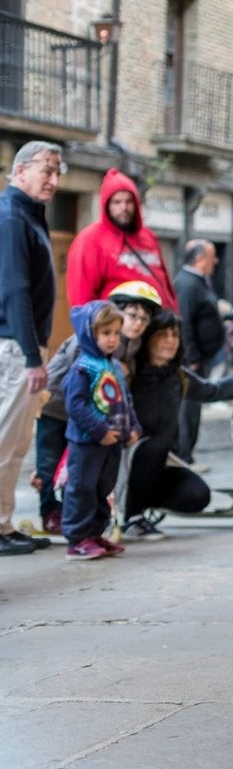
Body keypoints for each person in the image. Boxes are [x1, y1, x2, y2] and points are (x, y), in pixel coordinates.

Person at [34, 281, 160, 537]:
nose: (138, 323)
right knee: (49, 464)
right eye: (133, 316)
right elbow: (79, 381)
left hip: (88, 417)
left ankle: (81, 520)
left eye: (144, 320)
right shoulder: (88, 341)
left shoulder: (130, 344)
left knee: (79, 471)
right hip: (57, 406)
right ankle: (50, 512)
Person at [0, 141, 61, 556]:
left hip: (21, 347)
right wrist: (32, 356)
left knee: (17, 445)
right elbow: (15, 289)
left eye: (58, 172)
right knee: (4, 442)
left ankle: (3, 524)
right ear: (20, 171)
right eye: (46, 170)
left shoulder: (26, 215)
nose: (54, 180)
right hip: (12, 348)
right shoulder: (10, 217)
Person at [124, 309, 232, 538]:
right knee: (153, 444)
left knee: (197, 495)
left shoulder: (177, 375)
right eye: (163, 334)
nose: (171, 340)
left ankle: (140, 503)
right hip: (125, 462)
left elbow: (211, 391)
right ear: (148, 337)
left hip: (161, 463)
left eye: (175, 335)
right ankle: (130, 517)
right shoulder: (129, 372)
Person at [62, 301, 140, 560]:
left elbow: (124, 400)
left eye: (116, 333)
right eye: (106, 333)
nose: (112, 339)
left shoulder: (114, 367)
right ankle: (77, 538)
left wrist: (132, 427)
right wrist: (98, 431)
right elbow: (75, 405)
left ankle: (94, 533)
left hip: (113, 441)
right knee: (82, 487)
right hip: (87, 442)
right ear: (90, 333)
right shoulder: (83, 367)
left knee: (102, 488)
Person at [66, 167, 178, 311]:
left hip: (157, 326)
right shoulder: (91, 239)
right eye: (117, 202)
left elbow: (165, 284)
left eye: (129, 201)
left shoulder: (148, 237)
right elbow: (80, 296)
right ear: (107, 205)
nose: (124, 207)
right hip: (118, 327)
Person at [173, 239, 223, 467]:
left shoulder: (199, 282)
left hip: (202, 357)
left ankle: (187, 455)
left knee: (193, 409)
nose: (216, 261)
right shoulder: (187, 284)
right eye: (212, 256)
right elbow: (184, 322)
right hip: (192, 360)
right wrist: (191, 357)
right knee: (187, 410)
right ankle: (184, 457)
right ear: (199, 258)